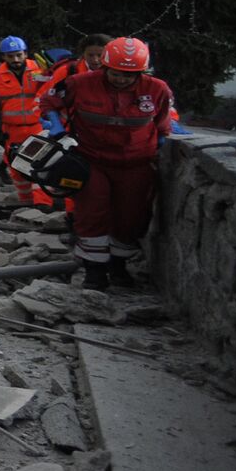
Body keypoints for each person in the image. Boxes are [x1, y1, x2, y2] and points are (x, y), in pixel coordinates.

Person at [39, 37, 174, 290]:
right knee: (92, 213)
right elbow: (48, 102)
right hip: (93, 160)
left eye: (129, 75)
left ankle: (119, 266)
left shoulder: (157, 90)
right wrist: (55, 126)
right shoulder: (79, 84)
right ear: (104, 67)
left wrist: (163, 143)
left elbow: (164, 121)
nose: (121, 79)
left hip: (137, 164)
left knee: (131, 217)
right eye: (116, 73)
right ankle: (95, 272)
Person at [0, 37, 46, 203]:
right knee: (17, 167)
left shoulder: (39, 69)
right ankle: (25, 201)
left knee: (40, 165)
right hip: (12, 129)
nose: (15, 60)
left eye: (19, 55)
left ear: (25, 53)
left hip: (37, 127)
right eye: (10, 56)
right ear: (3, 57)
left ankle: (42, 203)